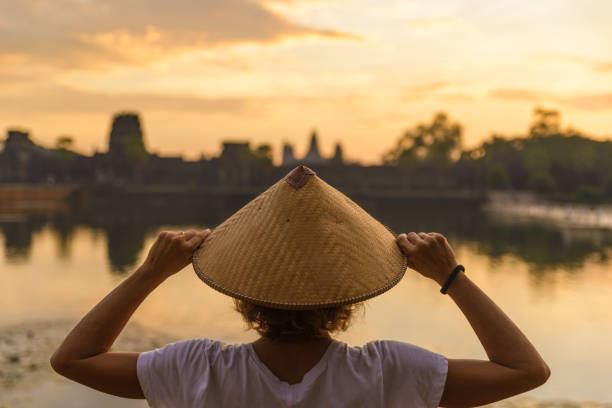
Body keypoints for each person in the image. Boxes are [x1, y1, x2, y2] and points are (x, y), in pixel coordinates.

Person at [51, 166, 550, 407]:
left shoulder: (196, 371)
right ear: (350, 298)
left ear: (243, 295)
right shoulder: (391, 373)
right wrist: (451, 278)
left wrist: (148, 274)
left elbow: (73, 360)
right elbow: (526, 370)